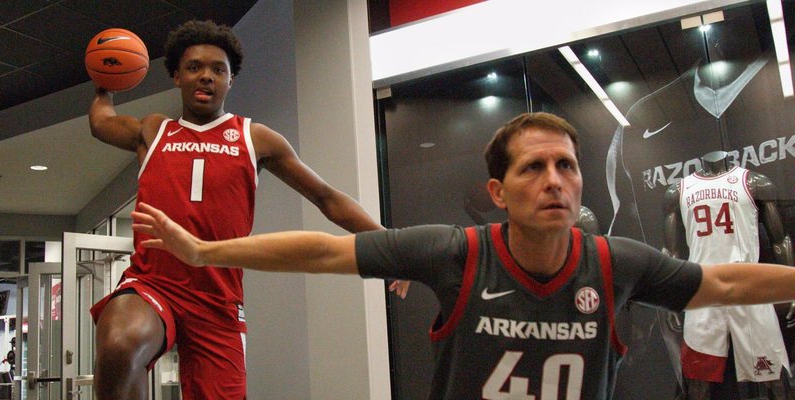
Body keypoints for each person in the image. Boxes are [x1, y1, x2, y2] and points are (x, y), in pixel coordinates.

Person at [133, 112, 795, 400]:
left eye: (567, 165)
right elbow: (325, 251)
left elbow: (728, 281)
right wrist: (203, 249)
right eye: (534, 168)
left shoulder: (617, 261)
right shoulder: (454, 252)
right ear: (498, 192)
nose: (555, 179)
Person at [87, 20, 407, 400]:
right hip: (154, 282)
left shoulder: (255, 138)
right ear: (176, 77)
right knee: (120, 344)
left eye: (218, 70)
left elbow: (326, 197)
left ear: (230, 80)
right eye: (194, 68)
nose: (206, 77)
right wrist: (103, 83)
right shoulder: (154, 131)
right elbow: (101, 123)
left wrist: (389, 245)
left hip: (218, 299)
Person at [664, 150, 794, 399]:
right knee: (697, 382)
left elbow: (780, 240)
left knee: (773, 376)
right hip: (703, 288)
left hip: (749, 286)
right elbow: (671, 250)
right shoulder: (678, 191)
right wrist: (668, 298)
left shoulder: (756, 183)